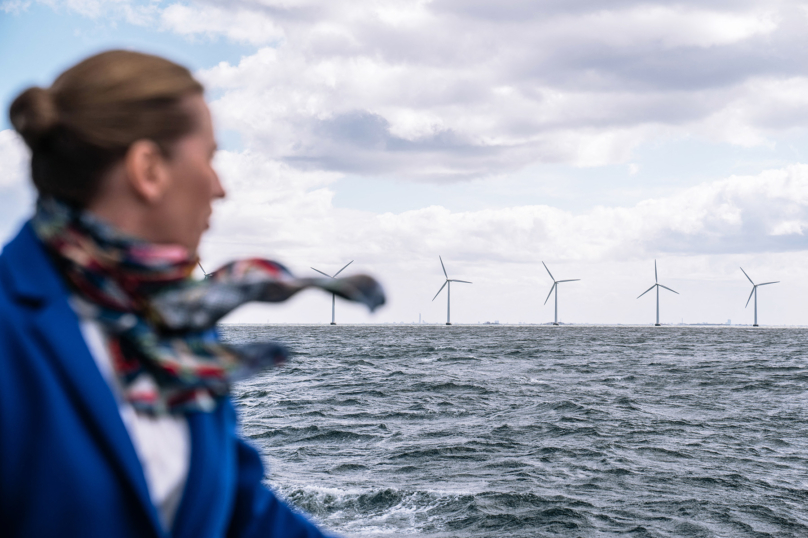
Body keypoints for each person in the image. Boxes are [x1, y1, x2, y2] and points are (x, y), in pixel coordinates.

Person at [0, 50, 382, 537]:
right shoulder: (10, 333)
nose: (220, 188)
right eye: (210, 158)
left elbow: (240, 511)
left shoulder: (176, 326)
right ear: (149, 169)